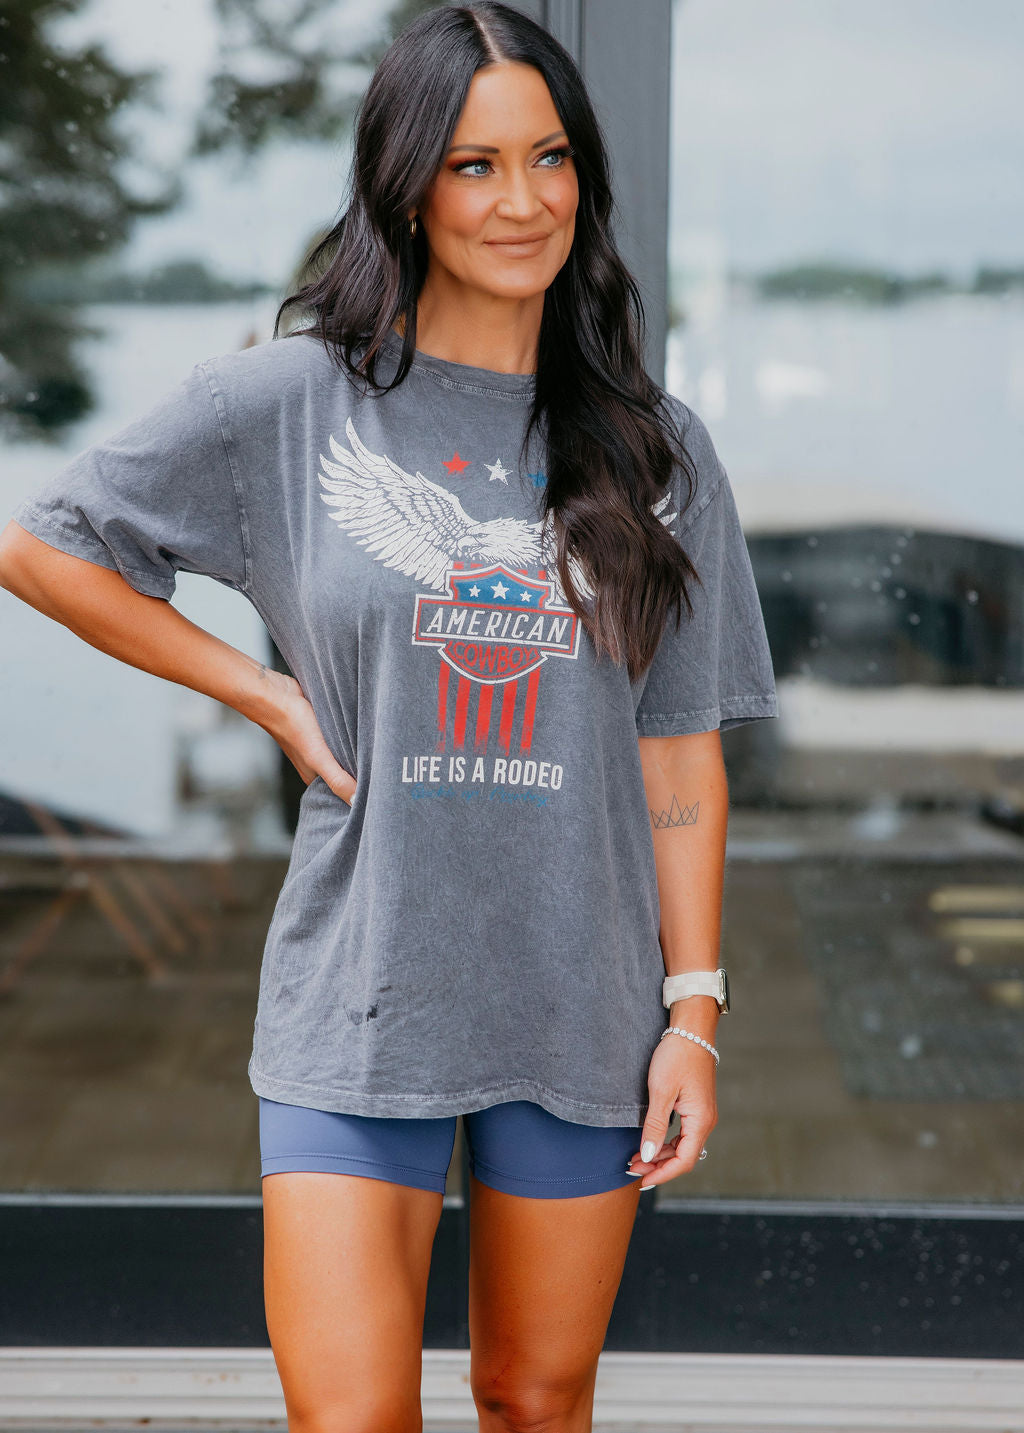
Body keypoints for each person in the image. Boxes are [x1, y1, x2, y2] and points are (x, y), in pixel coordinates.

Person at [0, 3, 778, 1429]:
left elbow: (678, 757)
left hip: (579, 1003)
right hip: (359, 995)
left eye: (549, 158)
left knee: (534, 1400)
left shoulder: (656, 450)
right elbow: (45, 545)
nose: (523, 200)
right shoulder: (295, 405)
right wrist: (258, 689)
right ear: (408, 187)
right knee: (350, 1416)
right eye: (475, 165)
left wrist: (694, 1015)